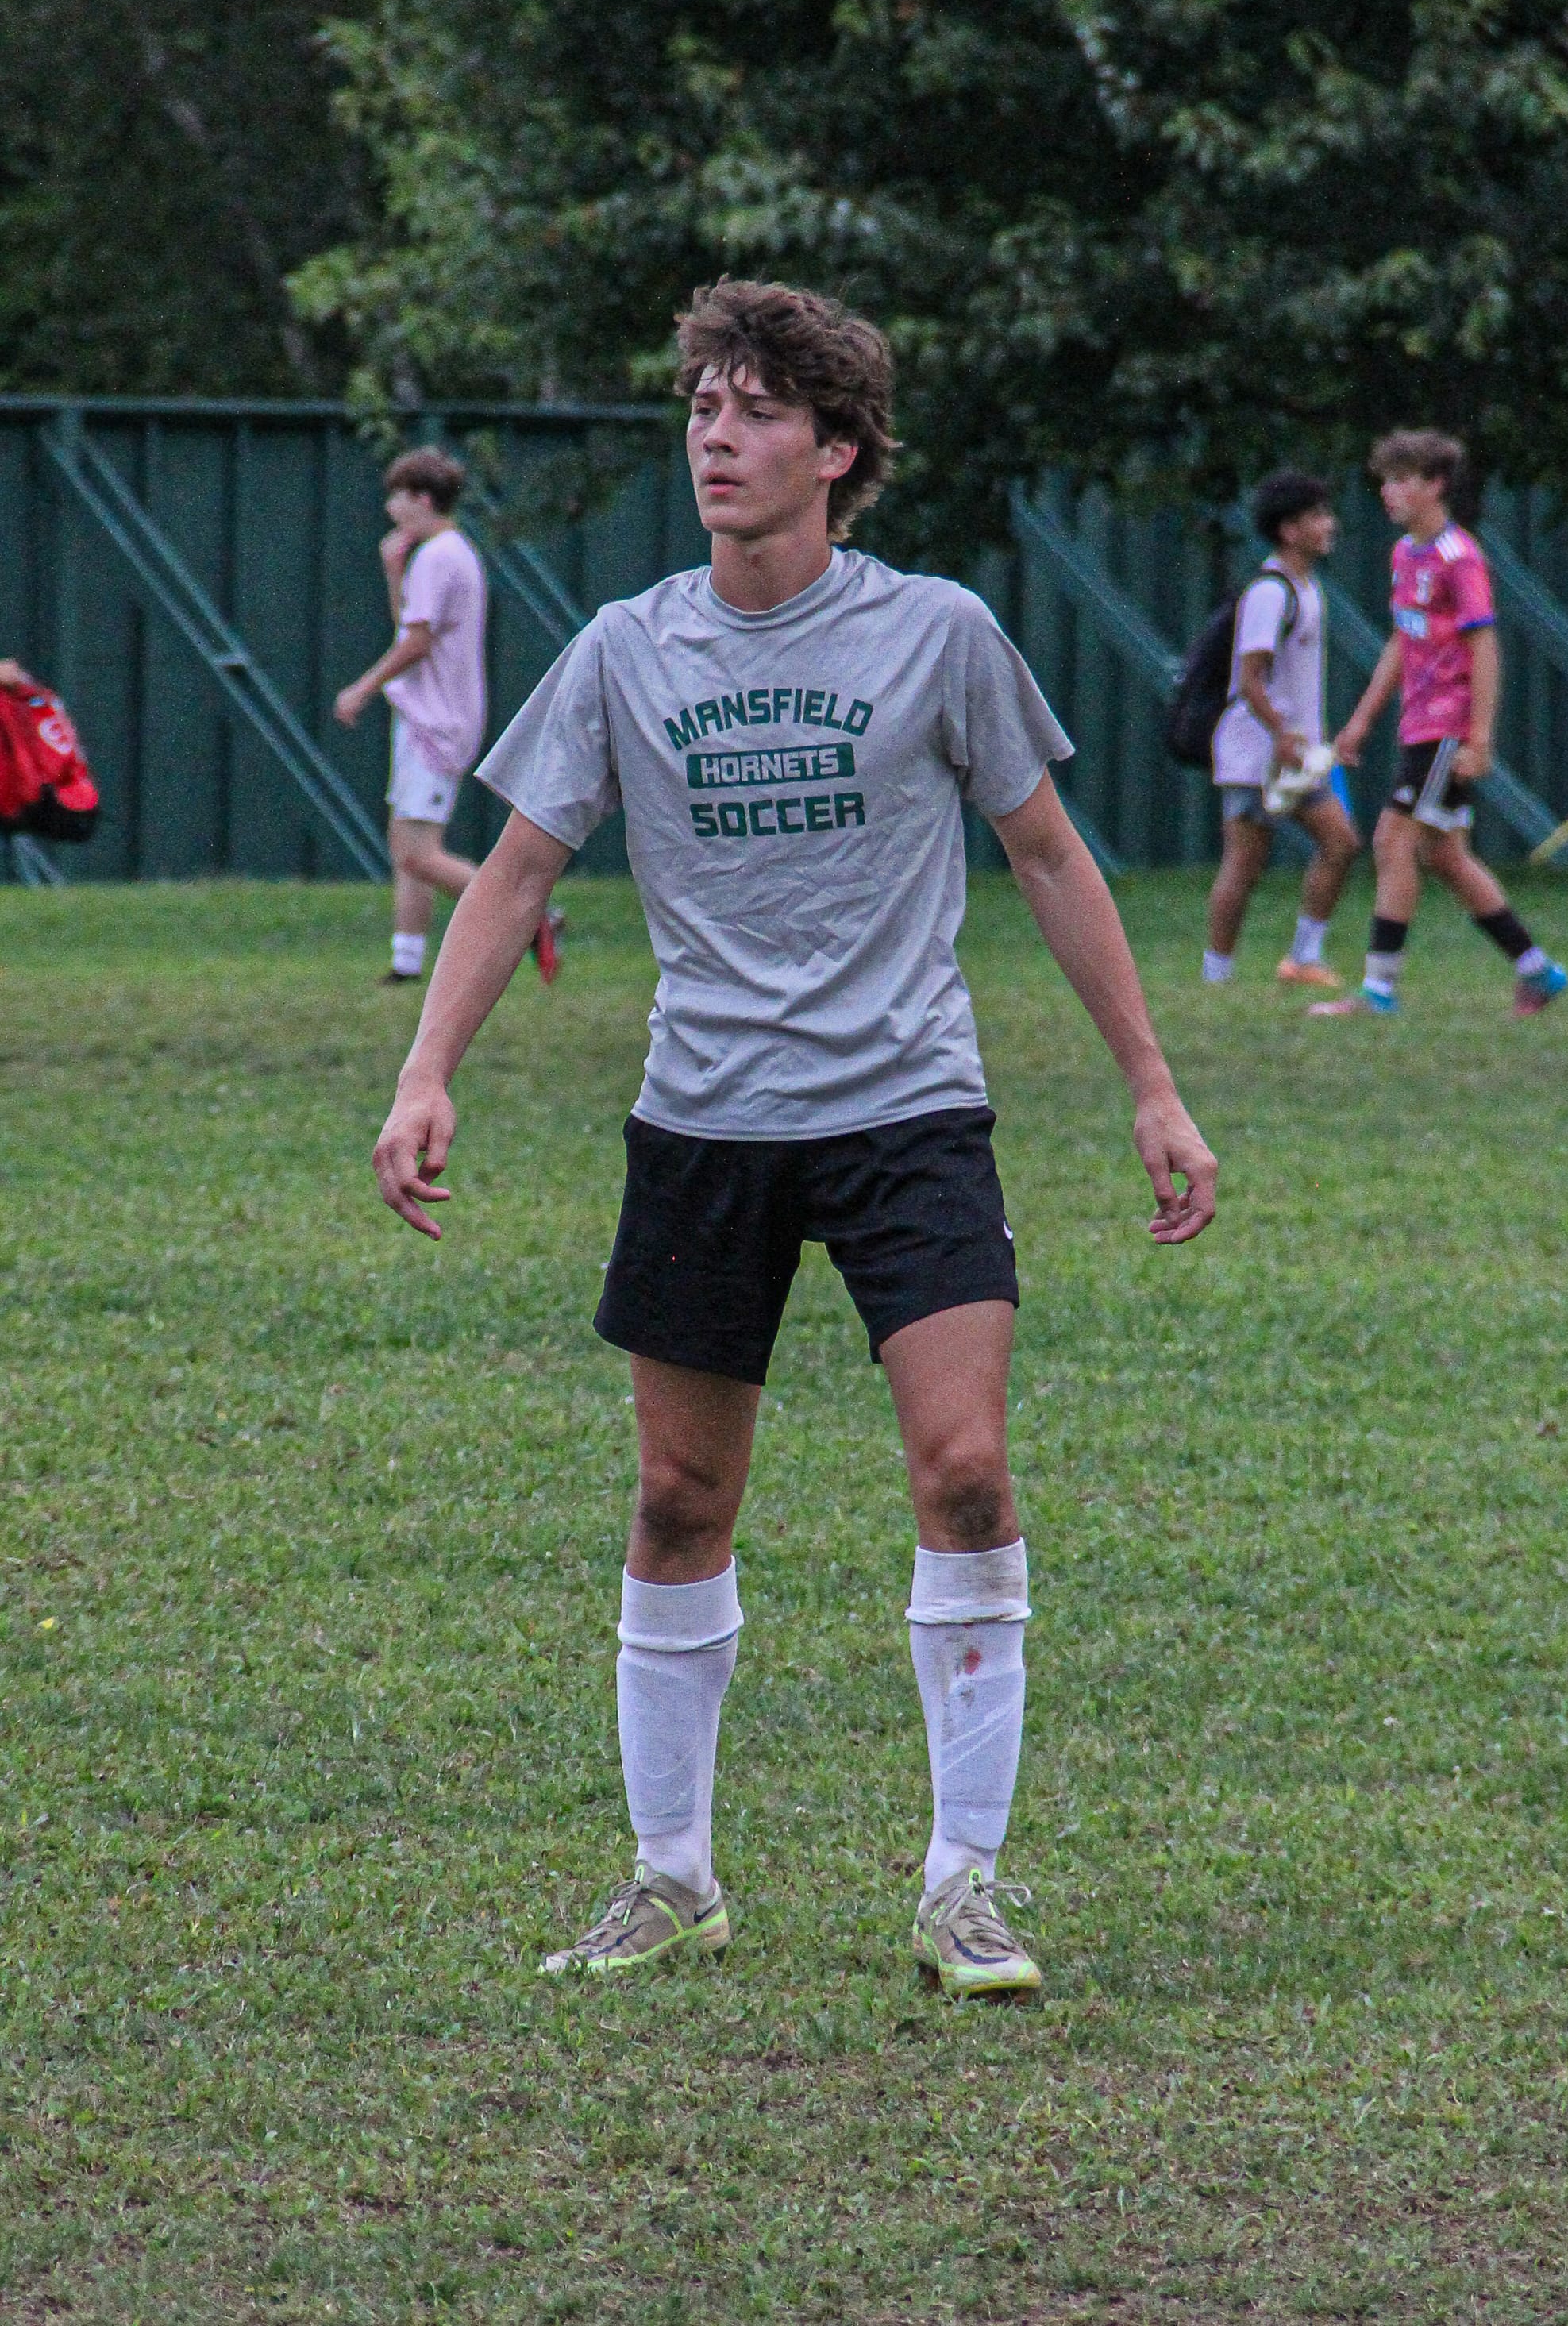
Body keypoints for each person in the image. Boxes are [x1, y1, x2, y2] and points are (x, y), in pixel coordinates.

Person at [372, 279, 1217, 2000]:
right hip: (707, 1122)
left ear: (837, 450)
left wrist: (1151, 1081)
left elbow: (1048, 855)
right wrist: (424, 1070)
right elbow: (517, 871)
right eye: (703, 408)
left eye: (757, 412)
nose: (717, 438)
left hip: (909, 1111)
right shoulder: (626, 649)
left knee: (965, 1473)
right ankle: (670, 1878)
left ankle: (964, 1887)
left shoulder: (938, 634)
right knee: (679, 1497)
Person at [1311, 430, 1568, 1018]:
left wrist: (1480, 737)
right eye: (1385, 480)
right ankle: (1539, 972)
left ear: (1436, 486)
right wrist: (1361, 719)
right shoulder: (1405, 554)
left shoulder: (1459, 556)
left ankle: (1378, 991)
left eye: (1402, 480)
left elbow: (1484, 647)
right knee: (1447, 856)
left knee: (1392, 840)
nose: (1389, 491)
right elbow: (1402, 641)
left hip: (1447, 728)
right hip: (1419, 726)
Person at [335, 447, 558, 985]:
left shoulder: (439, 556)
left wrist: (362, 689)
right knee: (408, 848)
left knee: (416, 853)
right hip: (428, 718)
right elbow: (412, 626)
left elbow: (415, 644)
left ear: (422, 499)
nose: (390, 508)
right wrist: (393, 571)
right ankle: (406, 963)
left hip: (435, 723)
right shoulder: (444, 553)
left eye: (397, 496)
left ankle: (533, 916)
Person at [1203, 470, 1359, 989]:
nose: (1329, 525)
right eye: (1317, 516)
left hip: (1295, 754)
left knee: (1340, 843)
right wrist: (1281, 734)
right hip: (1257, 754)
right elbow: (1250, 679)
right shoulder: (1270, 592)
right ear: (1289, 531)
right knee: (1245, 864)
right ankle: (1216, 977)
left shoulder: (1309, 589)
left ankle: (1303, 959)